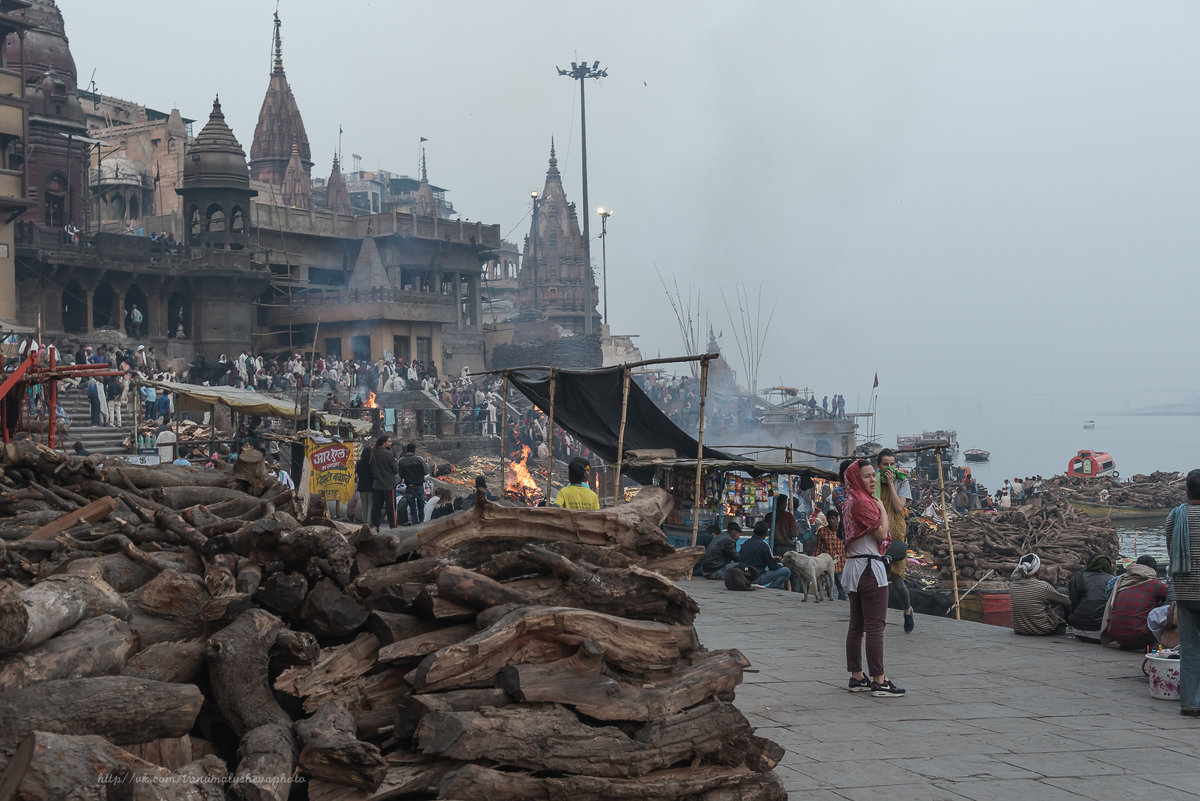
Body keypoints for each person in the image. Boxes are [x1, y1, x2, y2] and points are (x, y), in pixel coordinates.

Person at [842, 459, 904, 697]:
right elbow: (880, 533)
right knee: (875, 627)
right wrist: (882, 509)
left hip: (856, 567)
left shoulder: (850, 501)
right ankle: (879, 680)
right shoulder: (862, 502)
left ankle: (857, 676)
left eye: (872, 475)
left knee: (857, 626)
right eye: (866, 476)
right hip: (868, 568)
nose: (871, 480)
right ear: (857, 479)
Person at [1167, 469, 1200, 716]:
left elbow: (1171, 551)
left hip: (1184, 589)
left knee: (1188, 647)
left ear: (1187, 491)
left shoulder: (1175, 516)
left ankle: (1189, 703)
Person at [876, 449, 914, 633]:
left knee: (898, 582)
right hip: (878, 533)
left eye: (892, 464)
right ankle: (877, 617)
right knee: (877, 579)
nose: (889, 468)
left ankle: (907, 611)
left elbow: (899, 507)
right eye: (885, 464)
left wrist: (891, 484)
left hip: (896, 533)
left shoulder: (901, 480)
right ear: (878, 466)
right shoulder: (873, 481)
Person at [1102, 555, 1169, 650]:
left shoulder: (1121, 581)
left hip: (1116, 636)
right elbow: (1173, 596)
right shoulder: (1155, 584)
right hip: (1138, 637)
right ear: (1153, 569)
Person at [1009, 554, 1070, 636]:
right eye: (1039, 567)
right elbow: (1068, 602)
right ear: (1036, 570)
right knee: (1063, 594)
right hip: (1043, 630)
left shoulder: (1013, 584)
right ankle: (1072, 628)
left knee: (1059, 592)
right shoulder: (1043, 586)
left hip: (1020, 629)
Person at [1066, 553, 1114, 642]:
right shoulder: (1114, 581)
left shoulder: (1078, 578)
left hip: (1078, 630)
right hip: (1102, 632)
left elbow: (1073, 601)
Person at [738, 520, 791, 590]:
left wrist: (772, 559)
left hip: (744, 576)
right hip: (756, 577)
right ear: (766, 533)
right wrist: (780, 564)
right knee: (786, 571)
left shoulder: (745, 543)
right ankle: (772, 589)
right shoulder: (763, 545)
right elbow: (773, 566)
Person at [813, 510, 846, 600]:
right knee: (829, 587)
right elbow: (818, 548)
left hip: (840, 564)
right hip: (826, 564)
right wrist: (814, 561)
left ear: (837, 519)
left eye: (833, 518)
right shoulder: (822, 531)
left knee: (842, 588)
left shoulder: (842, 531)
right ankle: (832, 604)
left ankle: (841, 604)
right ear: (826, 519)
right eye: (829, 518)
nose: (831, 520)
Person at [396, 443, 428, 525]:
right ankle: (421, 521)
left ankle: (414, 523)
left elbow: (401, 475)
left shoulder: (401, 461)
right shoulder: (419, 459)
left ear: (407, 449)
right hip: (419, 486)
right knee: (421, 505)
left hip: (409, 487)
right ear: (414, 450)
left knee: (412, 507)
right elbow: (425, 472)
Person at [371, 435, 398, 528]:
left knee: (376, 508)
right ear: (384, 443)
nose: (391, 443)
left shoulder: (374, 453)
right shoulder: (388, 454)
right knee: (391, 508)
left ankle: (375, 527)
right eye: (389, 441)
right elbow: (395, 470)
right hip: (388, 485)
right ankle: (393, 527)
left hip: (377, 485)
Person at [355, 440, 375, 527]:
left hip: (362, 487)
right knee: (370, 506)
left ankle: (364, 524)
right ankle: (369, 523)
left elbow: (357, 474)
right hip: (371, 486)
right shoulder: (372, 463)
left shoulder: (359, 463)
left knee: (364, 506)